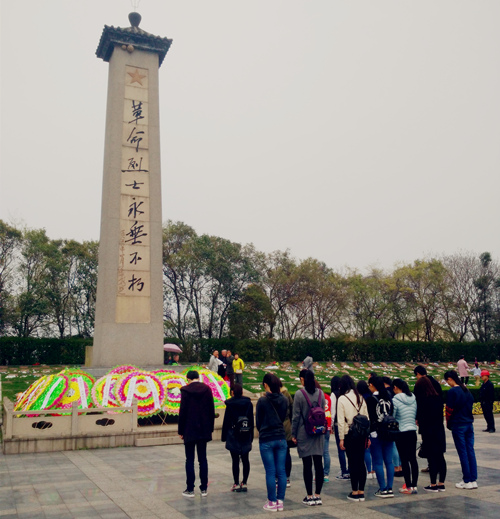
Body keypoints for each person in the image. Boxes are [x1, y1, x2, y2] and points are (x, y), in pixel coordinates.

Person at [178, 370, 216, 497]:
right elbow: (211, 410)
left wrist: (181, 430)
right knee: (202, 459)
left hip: (189, 429)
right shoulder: (207, 389)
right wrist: (210, 428)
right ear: (198, 378)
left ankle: (190, 489)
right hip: (203, 429)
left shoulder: (185, 391)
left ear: (188, 379)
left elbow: (182, 412)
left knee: (189, 459)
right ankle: (204, 488)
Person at [292, 370, 325, 506]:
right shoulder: (321, 393)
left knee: (307, 465)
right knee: (318, 464)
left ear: (303, 380)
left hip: (304, 433)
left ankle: (309, 496)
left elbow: (296, 416)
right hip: (318, 432)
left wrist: (293, 434)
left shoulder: (299, 394)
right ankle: (318, 495)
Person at [256, 373, 288, 512]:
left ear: (265, 385)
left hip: (267, 438)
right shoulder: (284, 399)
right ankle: (280, 501)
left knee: (270, 471)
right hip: (281, 437)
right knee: (281, 471)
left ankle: (272, 502)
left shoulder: (262, 401)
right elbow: (283, 417)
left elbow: (258, 422)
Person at [337, 374, 369, 502]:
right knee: (361, 462)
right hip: (362, 434)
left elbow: (341, 421)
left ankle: (354, 491)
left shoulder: (342, 399)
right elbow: (367, 418)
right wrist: (367, 436)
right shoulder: (360, 397)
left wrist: (341, 438)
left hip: (349, 434)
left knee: (352, 462)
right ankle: (361, 491)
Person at [444, 370, 478, 489]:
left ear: (450, 379)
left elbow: (449, 410)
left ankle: (466, 480)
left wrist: (448, 423)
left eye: (447, 381)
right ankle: (473, 479)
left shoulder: (453, 391)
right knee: (470, 451)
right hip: (469, 423)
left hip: (458, 424)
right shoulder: (466, 390)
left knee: (462, 452)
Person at [414, 375, 447, 492]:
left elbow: (422, 418)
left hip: (428, 431)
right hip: (439, 430)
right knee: (440, 456)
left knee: (432, 457)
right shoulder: (438, 398)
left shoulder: (423, 400)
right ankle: (441, 483)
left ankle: (433, 484)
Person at [221, 383, 254, 492]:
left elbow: (226, 421)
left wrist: (224, 436)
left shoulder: (230, 404)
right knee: (245, 459)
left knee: (235, 460)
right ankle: (244, 482)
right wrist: (251, 435)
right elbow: (251, 419)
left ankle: (236, 483)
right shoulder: (248, 403)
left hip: (233, 433)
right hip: (246, 432)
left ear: (232, 392)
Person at [366, 376, 395, 498]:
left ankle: (382, 488)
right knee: (389, 461)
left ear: (372, 385)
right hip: (389, 432)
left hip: (376, 433)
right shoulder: (388, 398)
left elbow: (369, 417)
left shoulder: (371, 399)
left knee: (378, 462)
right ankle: (390, 488)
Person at [392, 378, 418, 494]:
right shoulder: (413, 398)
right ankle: (414, 486)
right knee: (413, 459)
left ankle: (407, 486)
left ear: (396, 387)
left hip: (401, 431)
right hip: (412, 430)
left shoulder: (395, 399)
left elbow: (393, 416)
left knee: (404, 460)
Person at [331, 376, 350, 480]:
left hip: (338, 424)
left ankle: (344, 471)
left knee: (341, 449)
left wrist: (331, 425)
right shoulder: (347, 393)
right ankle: (350, 470)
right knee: (349, 448)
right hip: (348, 423)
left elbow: (333, 411)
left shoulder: (334, 394)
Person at [357, 380, 375, 480]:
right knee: (374, 450)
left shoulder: (361, 398)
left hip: (365, 425)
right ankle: (374, 470)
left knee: (366, 449)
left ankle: (369, 470)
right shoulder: (371, 396)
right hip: (373, 425)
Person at [279, 379, 294, 488]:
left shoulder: (275, 396)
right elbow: (292, 409)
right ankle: (287, 477)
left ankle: (279, 477)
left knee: (278, 452)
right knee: (286, 452)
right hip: (287, 425)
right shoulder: (287, 394)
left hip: (278, 426)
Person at [323, 380, 336, 482]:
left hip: (318, 427)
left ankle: (319, 474)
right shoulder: (327, 397)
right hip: (327, 425)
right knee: (326, 451)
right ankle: (326, 474)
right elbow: (331, 412)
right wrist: (330, 426)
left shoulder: (316, 397)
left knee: (318, 453)